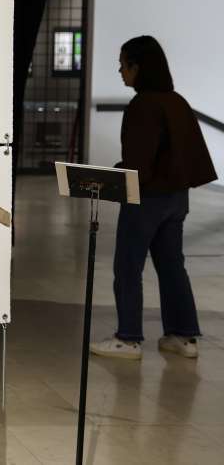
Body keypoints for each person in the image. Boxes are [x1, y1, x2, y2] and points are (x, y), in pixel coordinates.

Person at [90, 36, 217, 360]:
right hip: (177, 198)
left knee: (128, 266)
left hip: (146, 198)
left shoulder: (143, 104)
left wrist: (109, 176)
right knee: (172, 266)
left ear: (138, 67)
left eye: (123, 65)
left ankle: (128, 338)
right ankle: (183, 336)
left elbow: (139, 163)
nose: (120, 71)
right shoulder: (177, 102)